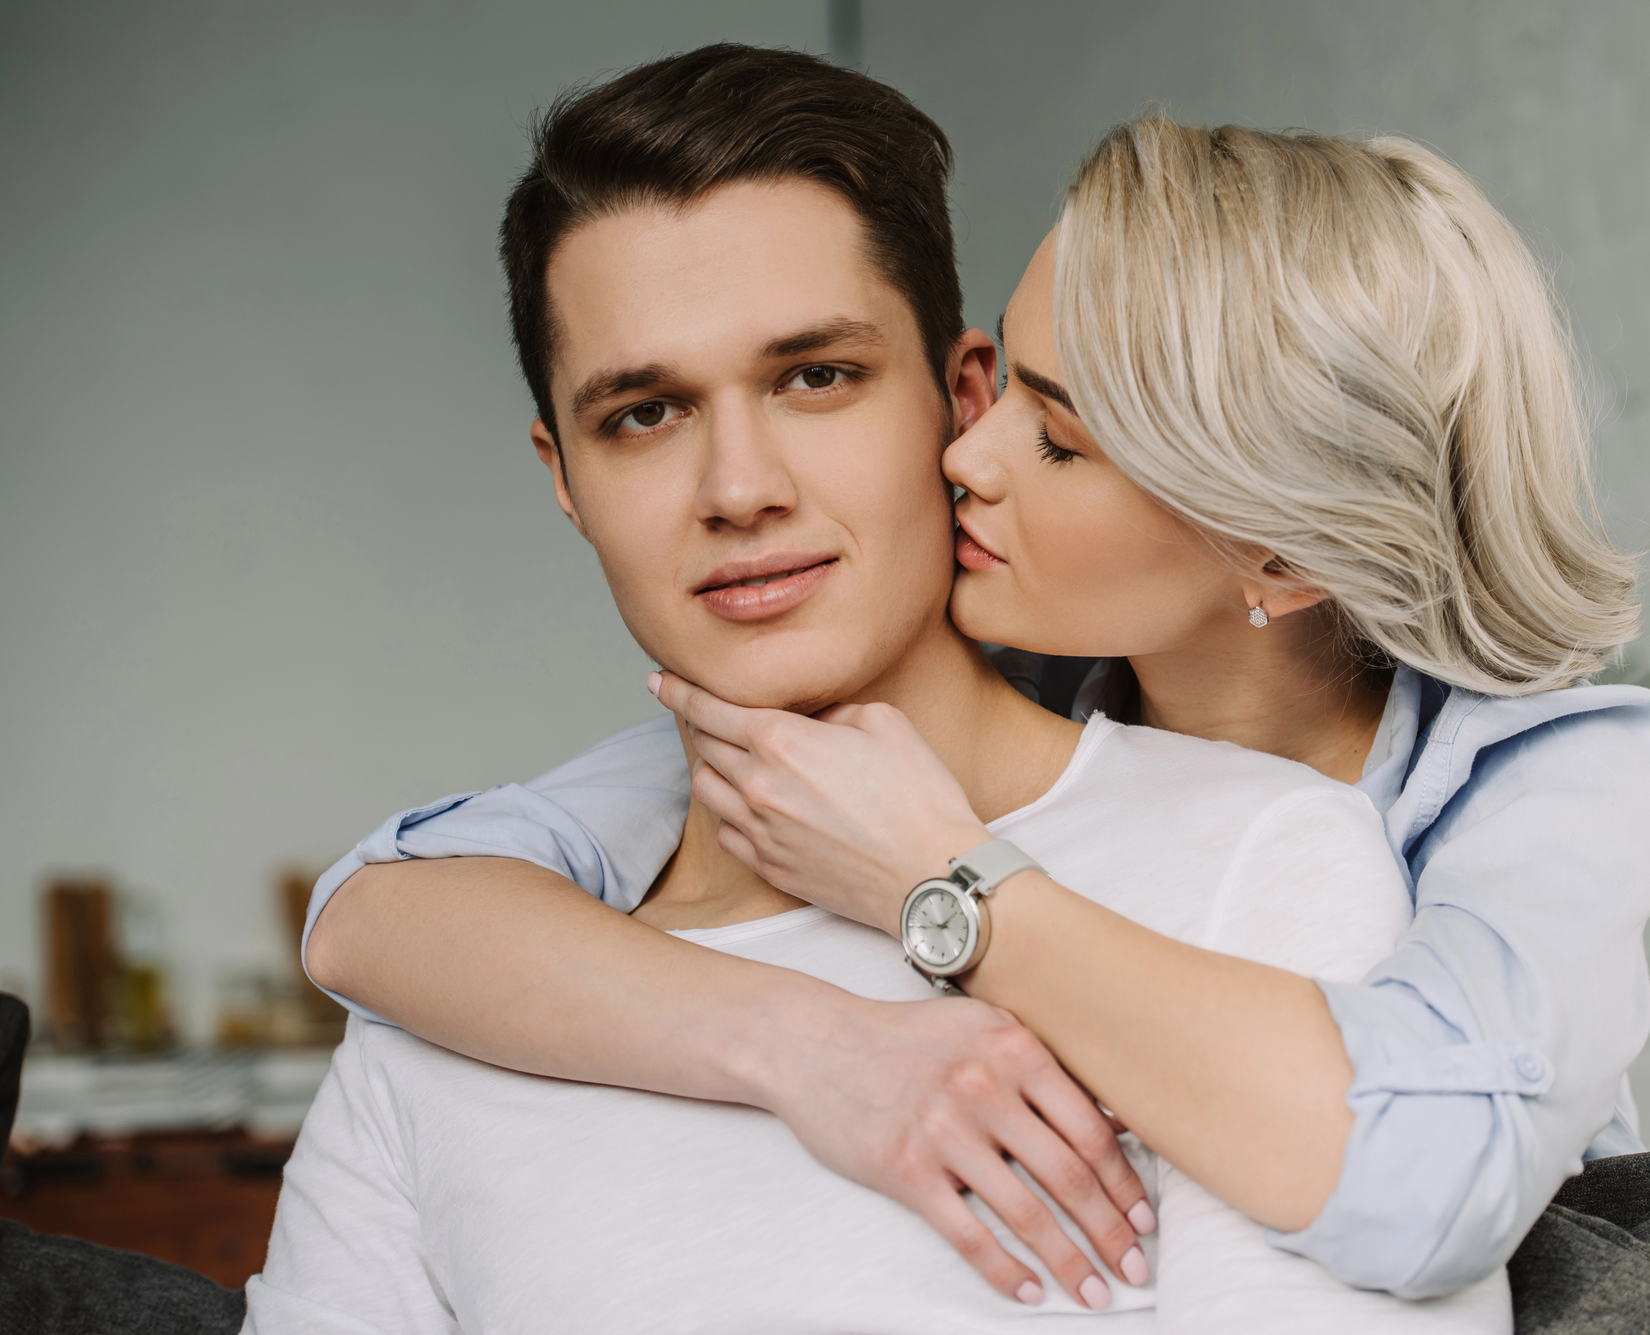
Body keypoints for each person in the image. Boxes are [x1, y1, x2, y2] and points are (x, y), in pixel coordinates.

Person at [244, 45, 1513, 1334]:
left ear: (962, 402)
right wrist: (812, 1049)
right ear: (564, 476)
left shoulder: (1260, 861)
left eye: (815, 378)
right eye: (644, 413)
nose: (739, 488)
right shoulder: (442, 1024)